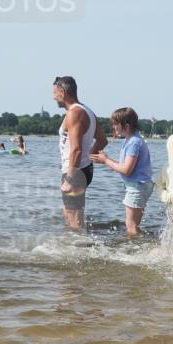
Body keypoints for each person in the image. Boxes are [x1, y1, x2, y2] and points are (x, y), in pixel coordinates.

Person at [53, 76, 107, 230]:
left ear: (62, 92)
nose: (53, 97)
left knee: (74, 219)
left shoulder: (75, 113)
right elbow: (102, 141)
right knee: (70, 214)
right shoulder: (87, 110)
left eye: (55, 93)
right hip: (82, 169)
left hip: (75, 173)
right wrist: (87, 160)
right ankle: (76, 241)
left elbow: (76, 149)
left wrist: (70, 178)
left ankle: (81, 244)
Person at [90, 107, 153, 236]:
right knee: (134, 224)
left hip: (137, 187)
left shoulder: (133, 143)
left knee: (131, 225)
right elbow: (126, 166)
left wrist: (106, 160)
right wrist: (105, 160)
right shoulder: (131, 140)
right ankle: (141, 242)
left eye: (115, 123)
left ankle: (134, 245)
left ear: (126, 126)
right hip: (142, 185)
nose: (113, 127)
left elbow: (126, 170)